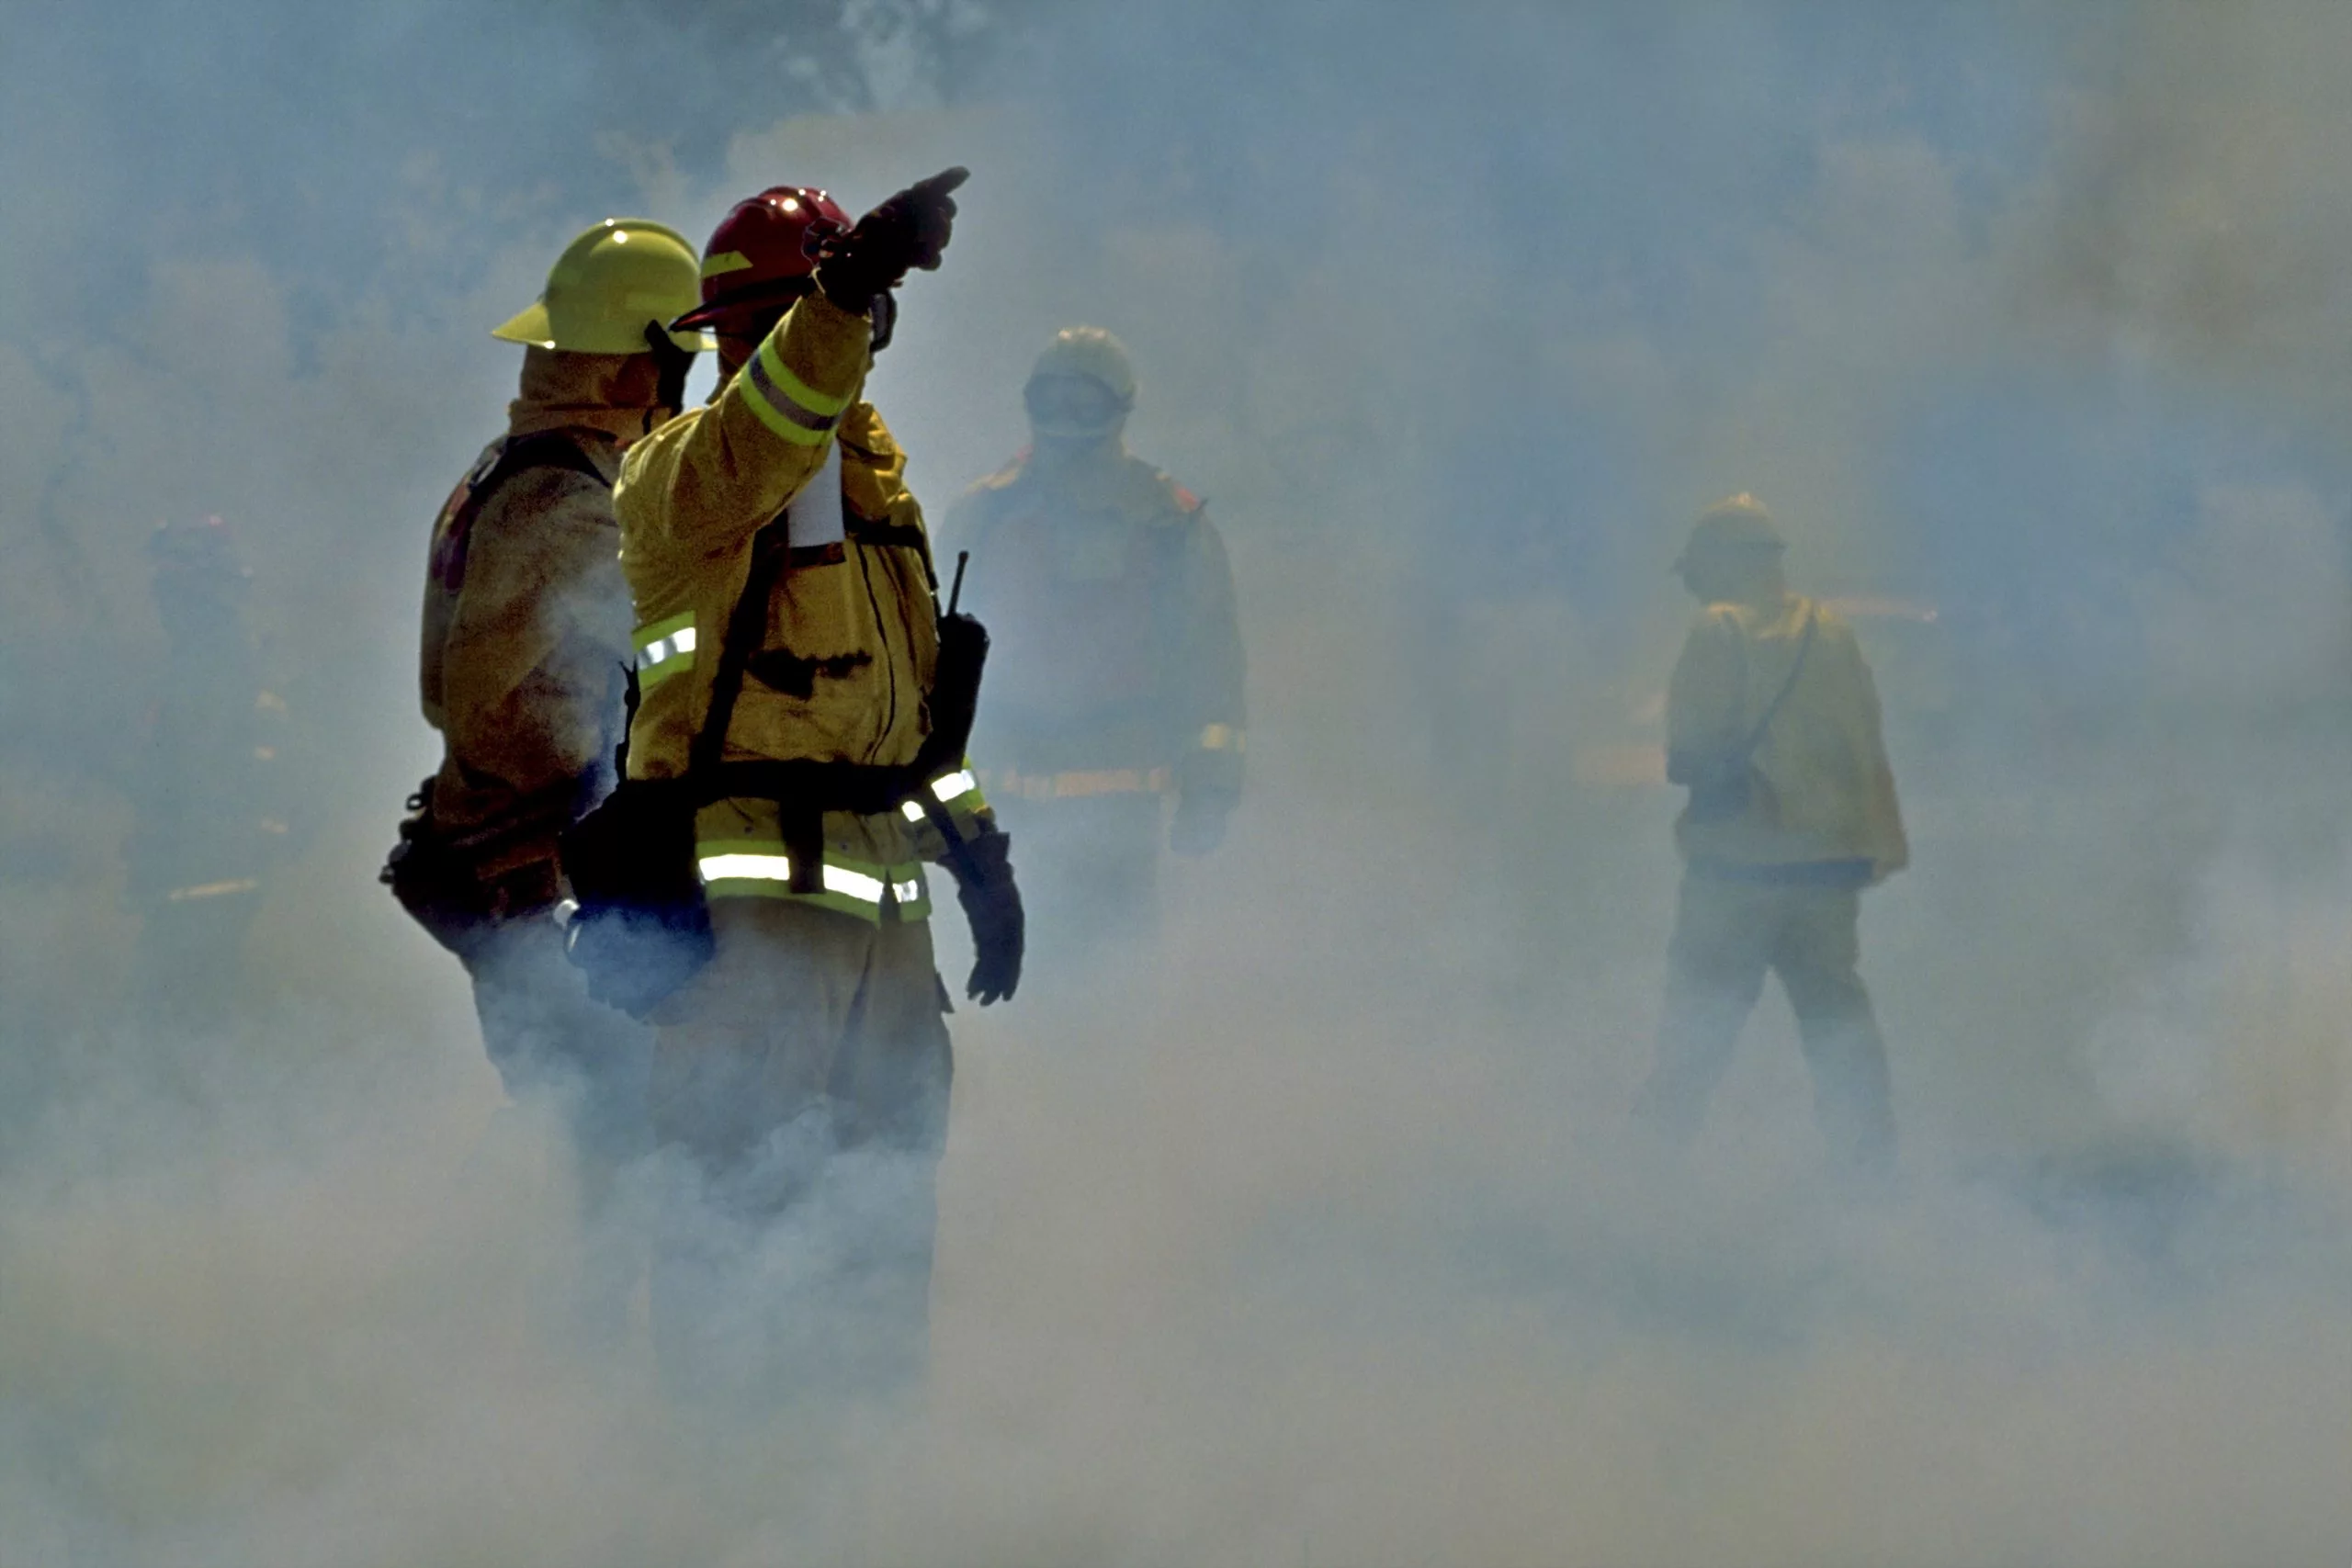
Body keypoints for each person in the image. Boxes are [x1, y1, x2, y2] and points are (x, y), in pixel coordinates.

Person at [603, 171, 1022, 1403]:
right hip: (756, 938)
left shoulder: (873, 485)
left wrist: (983, 858)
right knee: (739, 1225)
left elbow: (900, 724)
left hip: (886, 933)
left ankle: (857, 1495)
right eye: (848, 311)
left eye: (876, 314)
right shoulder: (691, 473)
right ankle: (715, 1496)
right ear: (762, 328)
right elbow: (770, 426)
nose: (867, 341)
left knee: (879, 1232)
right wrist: (836, 298)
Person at [392, 217, 708, 1282]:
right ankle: (601, 1392)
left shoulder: (530, 469)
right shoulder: (560, 499)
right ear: (639, 362)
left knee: (604, 1153)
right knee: (618, 1153)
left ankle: (589, 1372)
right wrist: (598, 794)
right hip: (536, 874)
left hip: (521, 864)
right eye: (678, 360)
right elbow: (485, 697)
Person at [1632, 494, 1907, 1171]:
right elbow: (1866, 745)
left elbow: (1689, 751)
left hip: (1737, 872)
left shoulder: (1716, 629)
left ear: (1724, 564)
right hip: (1827, 872)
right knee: (1838, 1029)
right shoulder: (1835, 632)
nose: (1692, 583)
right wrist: (1875, 846)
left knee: (1696, 1029)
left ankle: (1645, 1170)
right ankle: (1869, 1173)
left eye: (1696, 569)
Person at [948, 327, 1245, 955]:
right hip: (998, 807)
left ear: (1119, 408)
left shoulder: (1169, 520)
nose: (1066, 418)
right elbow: (926, 651)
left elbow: (1211, 658)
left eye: (1084, 403)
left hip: (1118, 810)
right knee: (1007, 983)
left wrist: (1210, 786)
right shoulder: (983, 512)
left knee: (1109, 980)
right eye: (1052, 399)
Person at [125, 516, 299, 1032]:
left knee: (174, 1020)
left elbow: (190, 772)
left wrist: (158, 834)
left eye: (168, 586)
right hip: (213, 870)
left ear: (194, 591)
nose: (159, 601)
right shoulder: (222, 658)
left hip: (199, 873)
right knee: (192, 1013)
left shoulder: (206, 665)